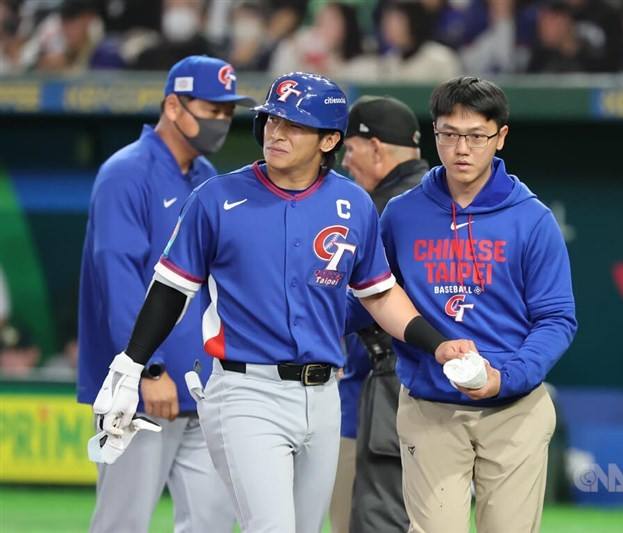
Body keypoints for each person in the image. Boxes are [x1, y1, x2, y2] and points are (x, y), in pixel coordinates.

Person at [89, 71, 477, 533]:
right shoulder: (216, 197)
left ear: (329, 139)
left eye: (294, 125)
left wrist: (438, 343)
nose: (276, 132)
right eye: (272, 119)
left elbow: (378, 294)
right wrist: (132, 365)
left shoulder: (353, 204)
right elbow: (172, 289)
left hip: (323, 393)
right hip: (244, 389)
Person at [361, 76, 578, 532]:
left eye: (476, 136)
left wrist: (508, 376)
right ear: (434, 133)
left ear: (500, 137)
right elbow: (370, 296)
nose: (462, 148)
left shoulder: (531, 219)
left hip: (514, 409)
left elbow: (556, 318)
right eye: (449, 134)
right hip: (429, 407)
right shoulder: (401, 213)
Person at [77, 55, 252, 533]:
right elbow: (117, 280)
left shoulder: (205, 175)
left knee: (211, 523)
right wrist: (145, 368)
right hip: (138, 392)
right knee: (122, 523)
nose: (222, 120)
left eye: (227, 111)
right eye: (211, 108)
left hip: (201, 385)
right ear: (173, 106)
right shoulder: (126, 173)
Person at [333, 96, 429, 533]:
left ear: (375, 148)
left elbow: (365, 302)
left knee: (368, 517)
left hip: (383, 385)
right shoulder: (442, 198)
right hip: (436, 390)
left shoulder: (386, 208)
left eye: (349, 149)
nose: (345, 163)